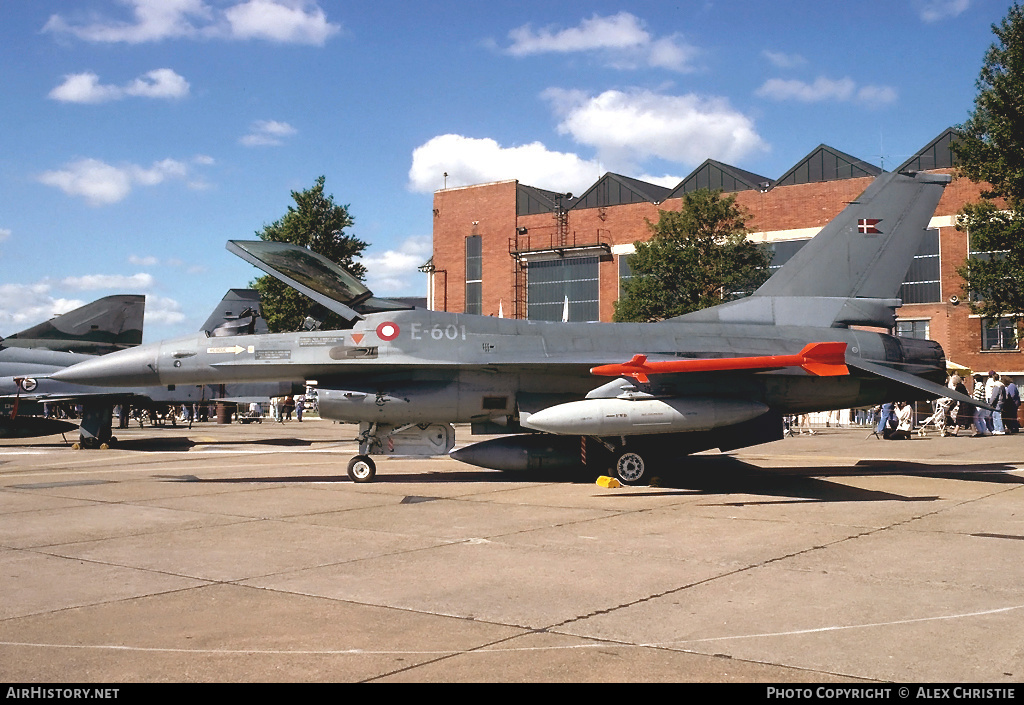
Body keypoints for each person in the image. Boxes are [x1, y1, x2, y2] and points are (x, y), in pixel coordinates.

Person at [987, 371, 1006, 435]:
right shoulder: (1002, 385)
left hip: (997, 403)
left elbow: (994, 396)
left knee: (996, 415)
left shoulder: (997, 385)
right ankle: (1000, 429)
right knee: (997, 415)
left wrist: (990, 403)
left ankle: (999, 429)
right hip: (1001, 402)